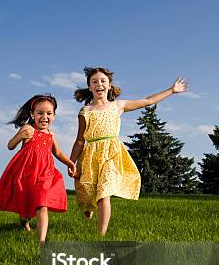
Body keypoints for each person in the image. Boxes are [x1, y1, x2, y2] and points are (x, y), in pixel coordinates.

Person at [69, 67, 187, 235]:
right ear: (89, 87)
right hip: (91, 155)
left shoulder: (118, 105)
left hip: (111, 154)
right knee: (87, 193)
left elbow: (147, 101)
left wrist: (172, 90)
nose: (99, 84)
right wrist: (71, 162)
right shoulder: (85, 111)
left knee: (104, 192)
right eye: (94, 82)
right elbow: (80, 140)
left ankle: (101, 235)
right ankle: (88, 209)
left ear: (109, 85)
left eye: (103, 81)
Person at [0, 94, 76, 244]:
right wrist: (20, 136)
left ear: (54, 116)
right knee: (26, 209)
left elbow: (57, 153)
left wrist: (70, 163)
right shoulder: (27, 129)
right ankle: (24, 221)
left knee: (42, 203)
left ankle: (42, 242)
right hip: (26, 174)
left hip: (45, 173)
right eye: (40, 113)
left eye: (49, 113)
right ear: (32, 114)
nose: (44, 117)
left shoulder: (51, 135)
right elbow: (10, 146)